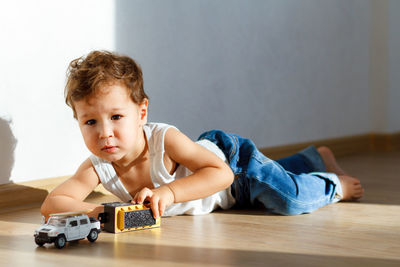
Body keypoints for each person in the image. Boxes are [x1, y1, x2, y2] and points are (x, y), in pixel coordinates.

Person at [40, 51, 363, 219]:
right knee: (271, 185)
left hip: (236, 169)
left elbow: (219, 174)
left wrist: (169, 193)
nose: (105, 133)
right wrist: (97, 212)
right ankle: (310, 158)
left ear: (141, 113)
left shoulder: (164, 140)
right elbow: (53, 202)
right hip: (224, 197)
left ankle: (334, 185)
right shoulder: (98, 165)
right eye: (90, 122)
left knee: (287, 199)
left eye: (116, 117)